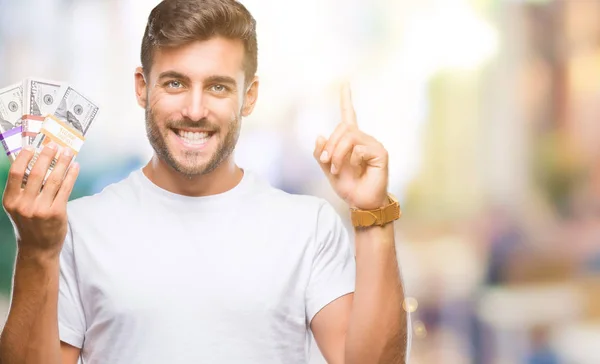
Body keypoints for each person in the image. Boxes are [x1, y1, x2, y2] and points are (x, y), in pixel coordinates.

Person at [0, 0, 408, 363]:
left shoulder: (309, 227)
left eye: (217, 87)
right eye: (175, 83)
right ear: (142, 87)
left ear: (249, 97)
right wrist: (36, 251)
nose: (195, 110)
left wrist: (374, 212)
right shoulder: (77, 229)